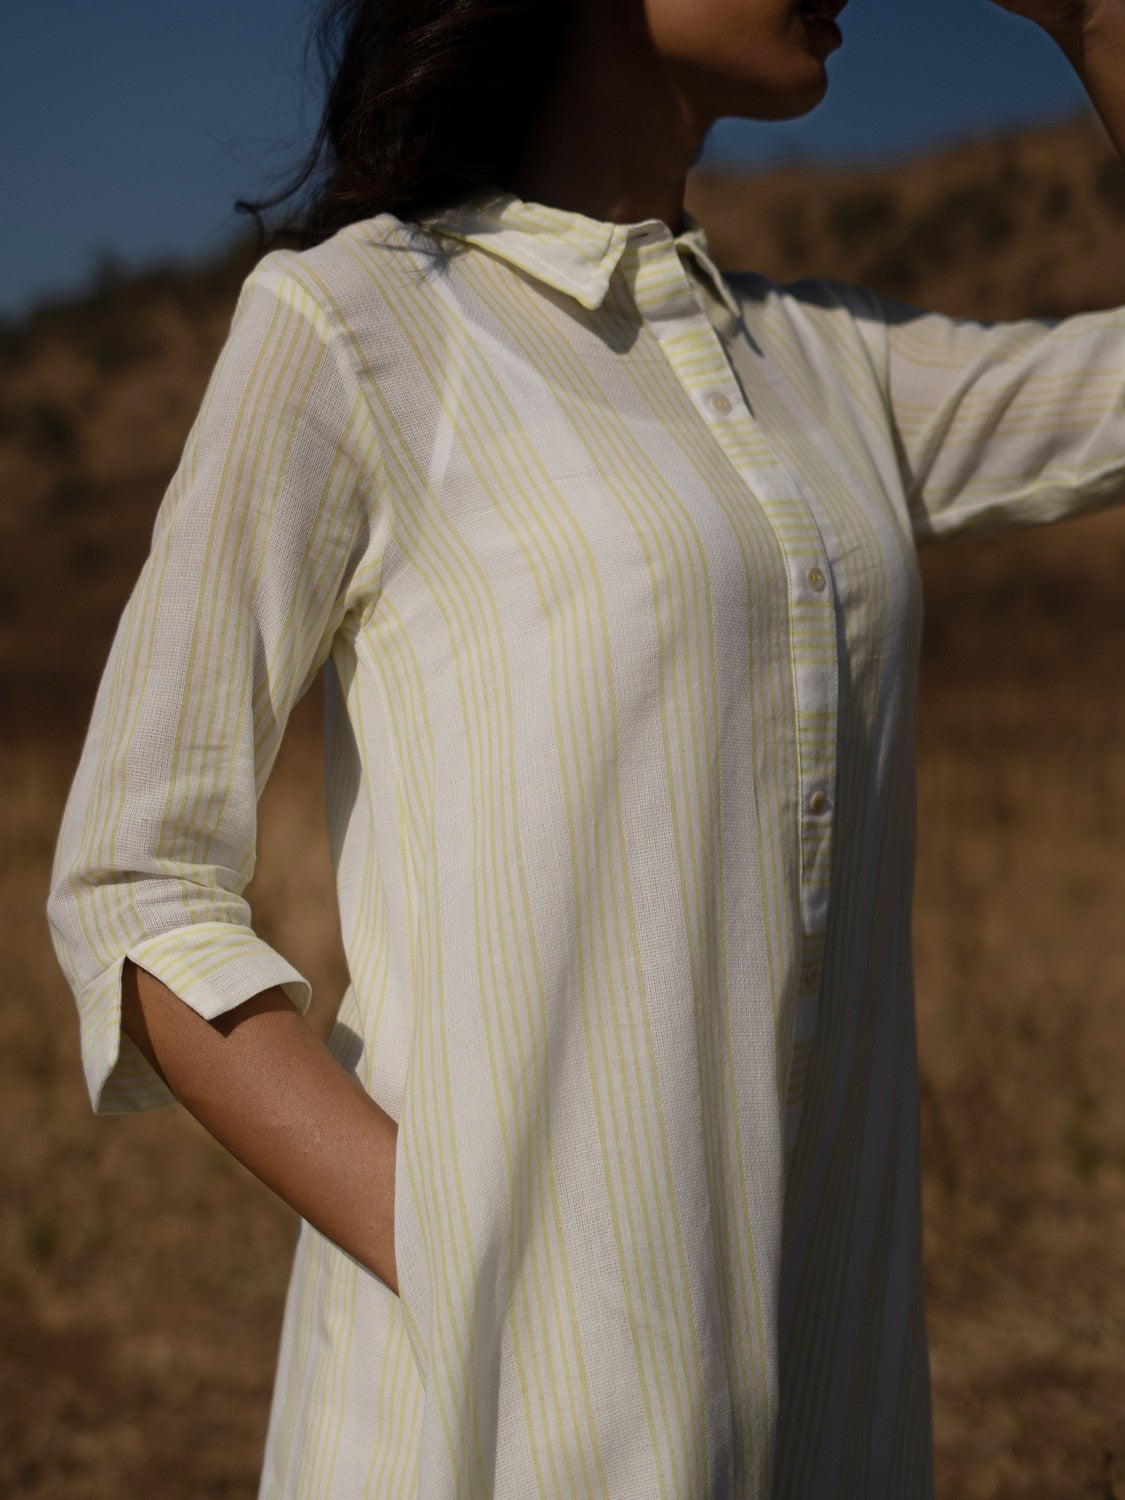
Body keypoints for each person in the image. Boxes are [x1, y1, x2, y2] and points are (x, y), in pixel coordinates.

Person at [45, 0, 1125, 1494]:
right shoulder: (357, 323)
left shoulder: (828, 369)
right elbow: (135, 887)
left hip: (821, 1405)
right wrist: (466, 1252)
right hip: (492, 1425)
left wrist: (1084, 21)